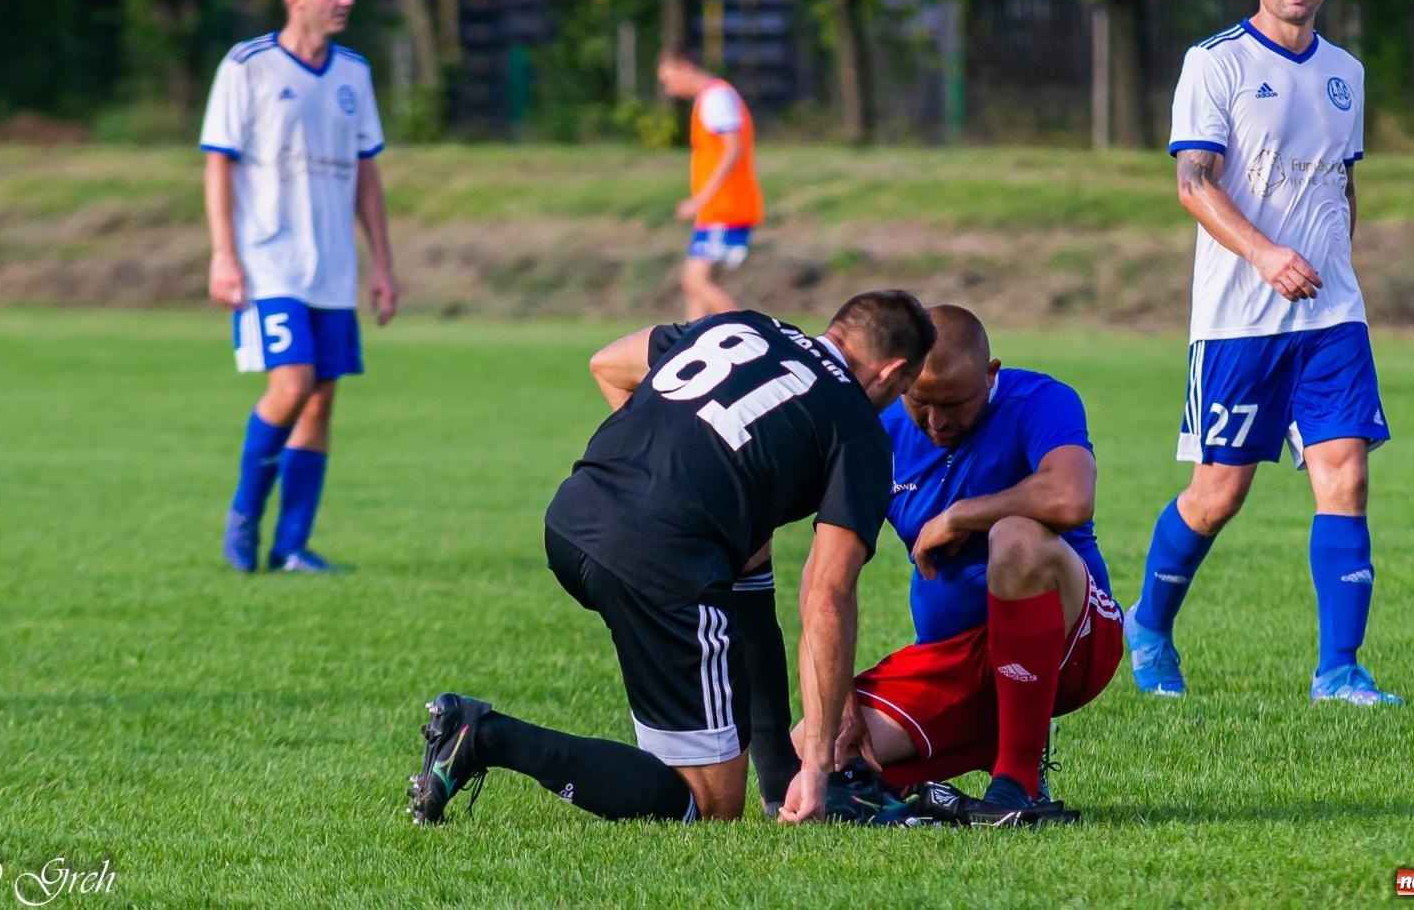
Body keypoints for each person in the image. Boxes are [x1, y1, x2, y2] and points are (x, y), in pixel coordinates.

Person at [406, 291, 937, 825]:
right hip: (658, 562)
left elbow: (609, 364)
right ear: (892, 372)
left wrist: (678, 472)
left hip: (573, 517)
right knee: (707, 807)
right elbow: (827, 596)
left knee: (750, 565)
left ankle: (776, 779)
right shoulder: (858, 429)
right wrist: (819, 766)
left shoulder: (740, 326)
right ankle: (487, 737)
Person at [1125, 0, 1401, 706]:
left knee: (1344, 476)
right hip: (1240, 320)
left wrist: (1332, 265)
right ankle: (1150, 624)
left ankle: (1339, 670)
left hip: (1332, 318)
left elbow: (1343, 182)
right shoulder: (1214, 64)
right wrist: (1266, 255)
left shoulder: (1346, 71)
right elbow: (1192, 182)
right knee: (1220, 494)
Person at [790, 304, 1122, 826]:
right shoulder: (877, 433)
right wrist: (839, 700)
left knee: (1016, 537)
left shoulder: (1039, 399)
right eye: (921, 402)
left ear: (991, 376)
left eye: (957, 404)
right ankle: (950, 775)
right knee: (812, 755)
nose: (939, 421)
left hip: (1074, 639)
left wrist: (963, 516)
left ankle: (1019, 781)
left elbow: (1071, 496)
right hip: (953, 660)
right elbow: (821, 579)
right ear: (900, 381)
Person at [201, 0, 397, 574]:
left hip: (333, 267)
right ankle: (242, 519)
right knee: (291, 383)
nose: (347, 0)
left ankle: (291, 547)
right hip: (268, 262)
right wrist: (223, 255)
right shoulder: (248, 65)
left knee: (320, 399)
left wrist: (383, 265)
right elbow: (218, 163)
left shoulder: (353, 74)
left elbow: (367, 175)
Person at [656, 47, 765, 320]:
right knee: (697, 293)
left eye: (669, 79)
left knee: (694, 281)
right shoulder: (711, 97)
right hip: (716, 210)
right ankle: (690, 350)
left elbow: (733, 148)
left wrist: (701, 198)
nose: (670, 89)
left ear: (685, 67)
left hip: (726, 207)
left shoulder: (717, 97)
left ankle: (749, 339)